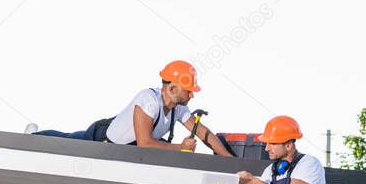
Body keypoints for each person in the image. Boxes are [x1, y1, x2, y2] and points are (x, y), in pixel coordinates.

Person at [29, 60, 232, 154]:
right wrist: (180, 148)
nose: (192, 94)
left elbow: (205, 134)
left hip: (126, 148)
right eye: (188, 90)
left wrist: (228, 159)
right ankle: (33, 137)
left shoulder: (179, 107)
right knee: (66, 142)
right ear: (171, 88)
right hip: (101, 139)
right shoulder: (148, 100)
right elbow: (145, 143)